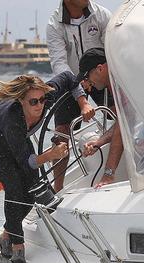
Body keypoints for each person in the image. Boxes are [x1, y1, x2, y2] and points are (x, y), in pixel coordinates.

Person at [0, 73, 92, 263]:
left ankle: (6, 234)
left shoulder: (45, 97)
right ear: (20, 101)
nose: (39, 105)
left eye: (42, 100)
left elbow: (69, 78)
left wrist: (83, 103)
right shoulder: (11, 118)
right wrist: (51, 155)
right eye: (33, 102)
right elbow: (27, 161)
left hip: (19, 140)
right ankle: (17, 246)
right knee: (14, 187)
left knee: (31, 191)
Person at [47, 0, 112, 191]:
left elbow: (112, 47)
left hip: (101, 74)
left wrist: (97, 76)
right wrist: (79, 91)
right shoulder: (54, 25)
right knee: (61, 132)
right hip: (71, 80)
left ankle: (116, 169)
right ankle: (57, 191)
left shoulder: (101, 15)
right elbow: (59, 64)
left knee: (121, 115)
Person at [77, 47, 123, 187]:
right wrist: (99, 142)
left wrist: (108, 175)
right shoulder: (115, 82)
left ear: (100, 68)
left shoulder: (122, 83)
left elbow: (122, 129)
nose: (87, 83)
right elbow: (124, 124)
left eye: (87, 77)